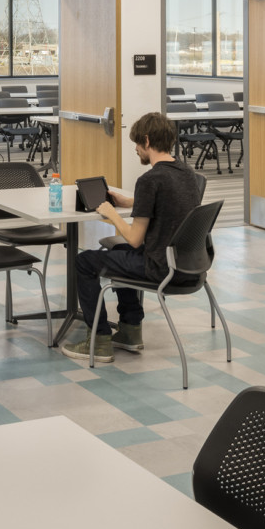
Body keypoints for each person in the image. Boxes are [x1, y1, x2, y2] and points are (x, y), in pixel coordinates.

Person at [59, 111, 201, 363]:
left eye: (136, 143)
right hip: (190, 267)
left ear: (146, 141)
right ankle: (130, 331)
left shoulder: (150, 179)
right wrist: (131, 202)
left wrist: (112, 213)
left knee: (84, 262)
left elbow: (135, 239)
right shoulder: (188, 174)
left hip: (159, 268)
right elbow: (170, 204)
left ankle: (99, 340)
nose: (135, 149)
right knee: (116, 253)